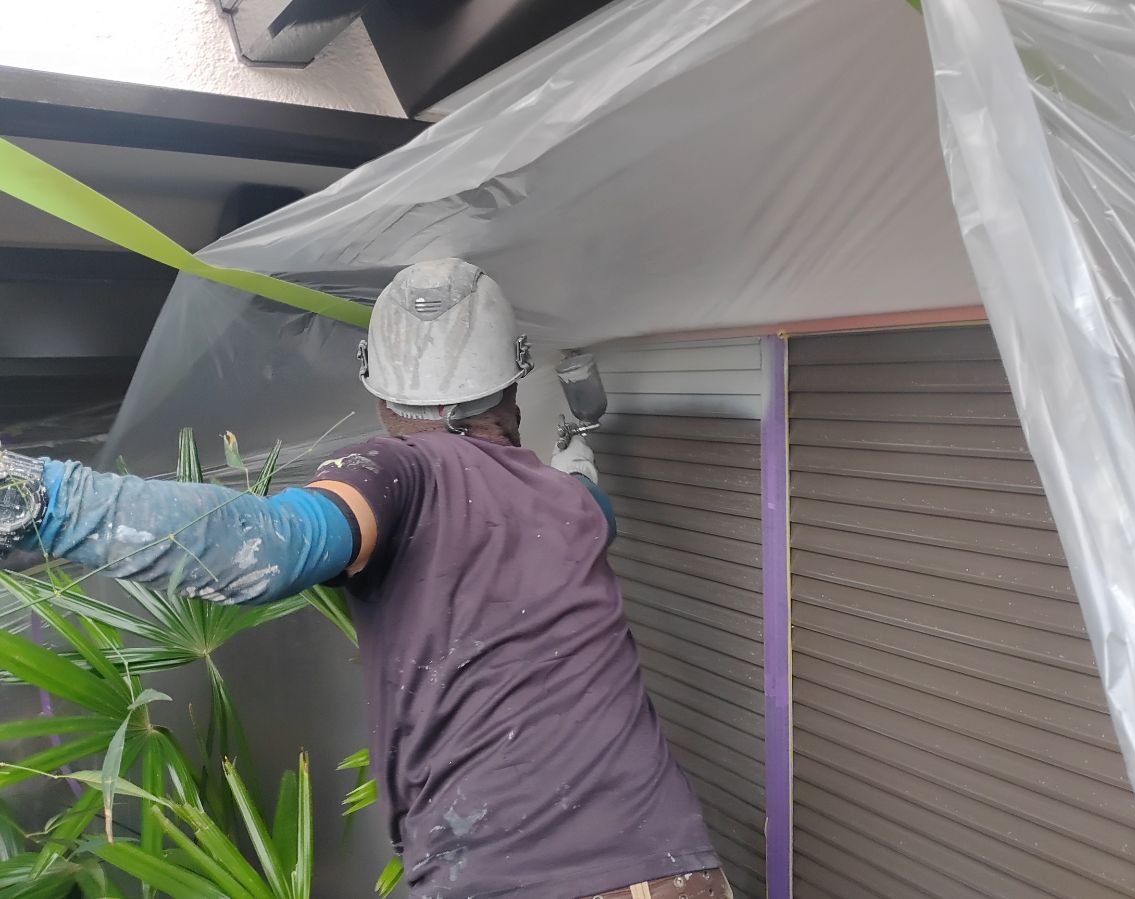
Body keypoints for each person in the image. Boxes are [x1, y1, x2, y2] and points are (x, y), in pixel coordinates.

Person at [0, 259, 733, 899]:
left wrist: (40, 501)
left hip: (513, 878)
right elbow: (588, 489)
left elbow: (273, 544)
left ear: (379, 392)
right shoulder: (572, 503)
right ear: (511, 381)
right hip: (675, 868)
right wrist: (577, 445)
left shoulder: (398, 468)